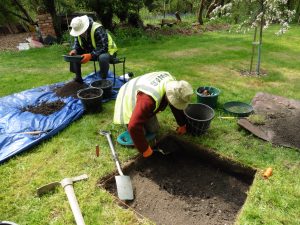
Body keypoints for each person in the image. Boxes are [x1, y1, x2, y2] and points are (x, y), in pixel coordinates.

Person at [113, 71, 193, 158]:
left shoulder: (174, 86)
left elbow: (174, 104)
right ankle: (136, 117)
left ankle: (142, 114)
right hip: (128, 95)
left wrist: (182, 124)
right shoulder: (148, 100)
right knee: (139, 133)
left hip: (142, 94)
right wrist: (145, 149)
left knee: (154, 130)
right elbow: (134, 126)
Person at [68, 15, 118, 82]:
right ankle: (78, 78)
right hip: (93, 52)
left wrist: (90, 55)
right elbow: (77, 45)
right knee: (74, 56)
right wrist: (75, 50)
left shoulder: (97, 29)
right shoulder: (78, 33)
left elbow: (103, 48)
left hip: (109, 52)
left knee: (102, 57)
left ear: (85, 27)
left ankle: (103, 81)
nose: (79, 34)